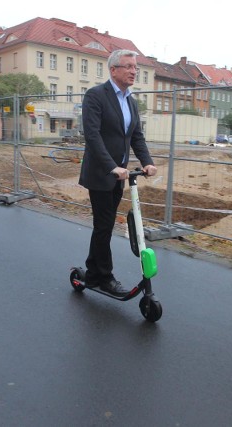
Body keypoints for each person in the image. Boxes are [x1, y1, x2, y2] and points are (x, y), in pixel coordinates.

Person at [79, 49, 158, 297]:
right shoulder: (95, 96)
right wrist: (111, 166)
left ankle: (92, 271)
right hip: (102, 172)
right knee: (104, 225)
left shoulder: (131, 101)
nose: (134, 71)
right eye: (128, 67)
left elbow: (136, 135)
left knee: (105, 225)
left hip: (121, 173)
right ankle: (104, 277)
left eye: (136, 67)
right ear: (113, 70)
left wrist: (147, 162)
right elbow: (92, 136)